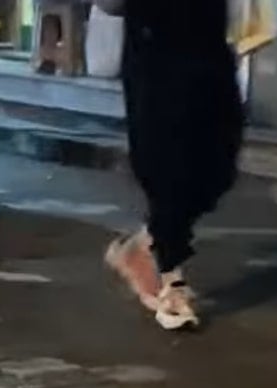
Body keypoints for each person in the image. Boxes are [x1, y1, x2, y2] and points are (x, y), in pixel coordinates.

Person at [101, 0, 243, 330]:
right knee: (168, 162)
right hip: (156, 41)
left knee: (219, 165)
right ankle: (172, 282)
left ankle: (143, 245)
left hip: (209, 39)